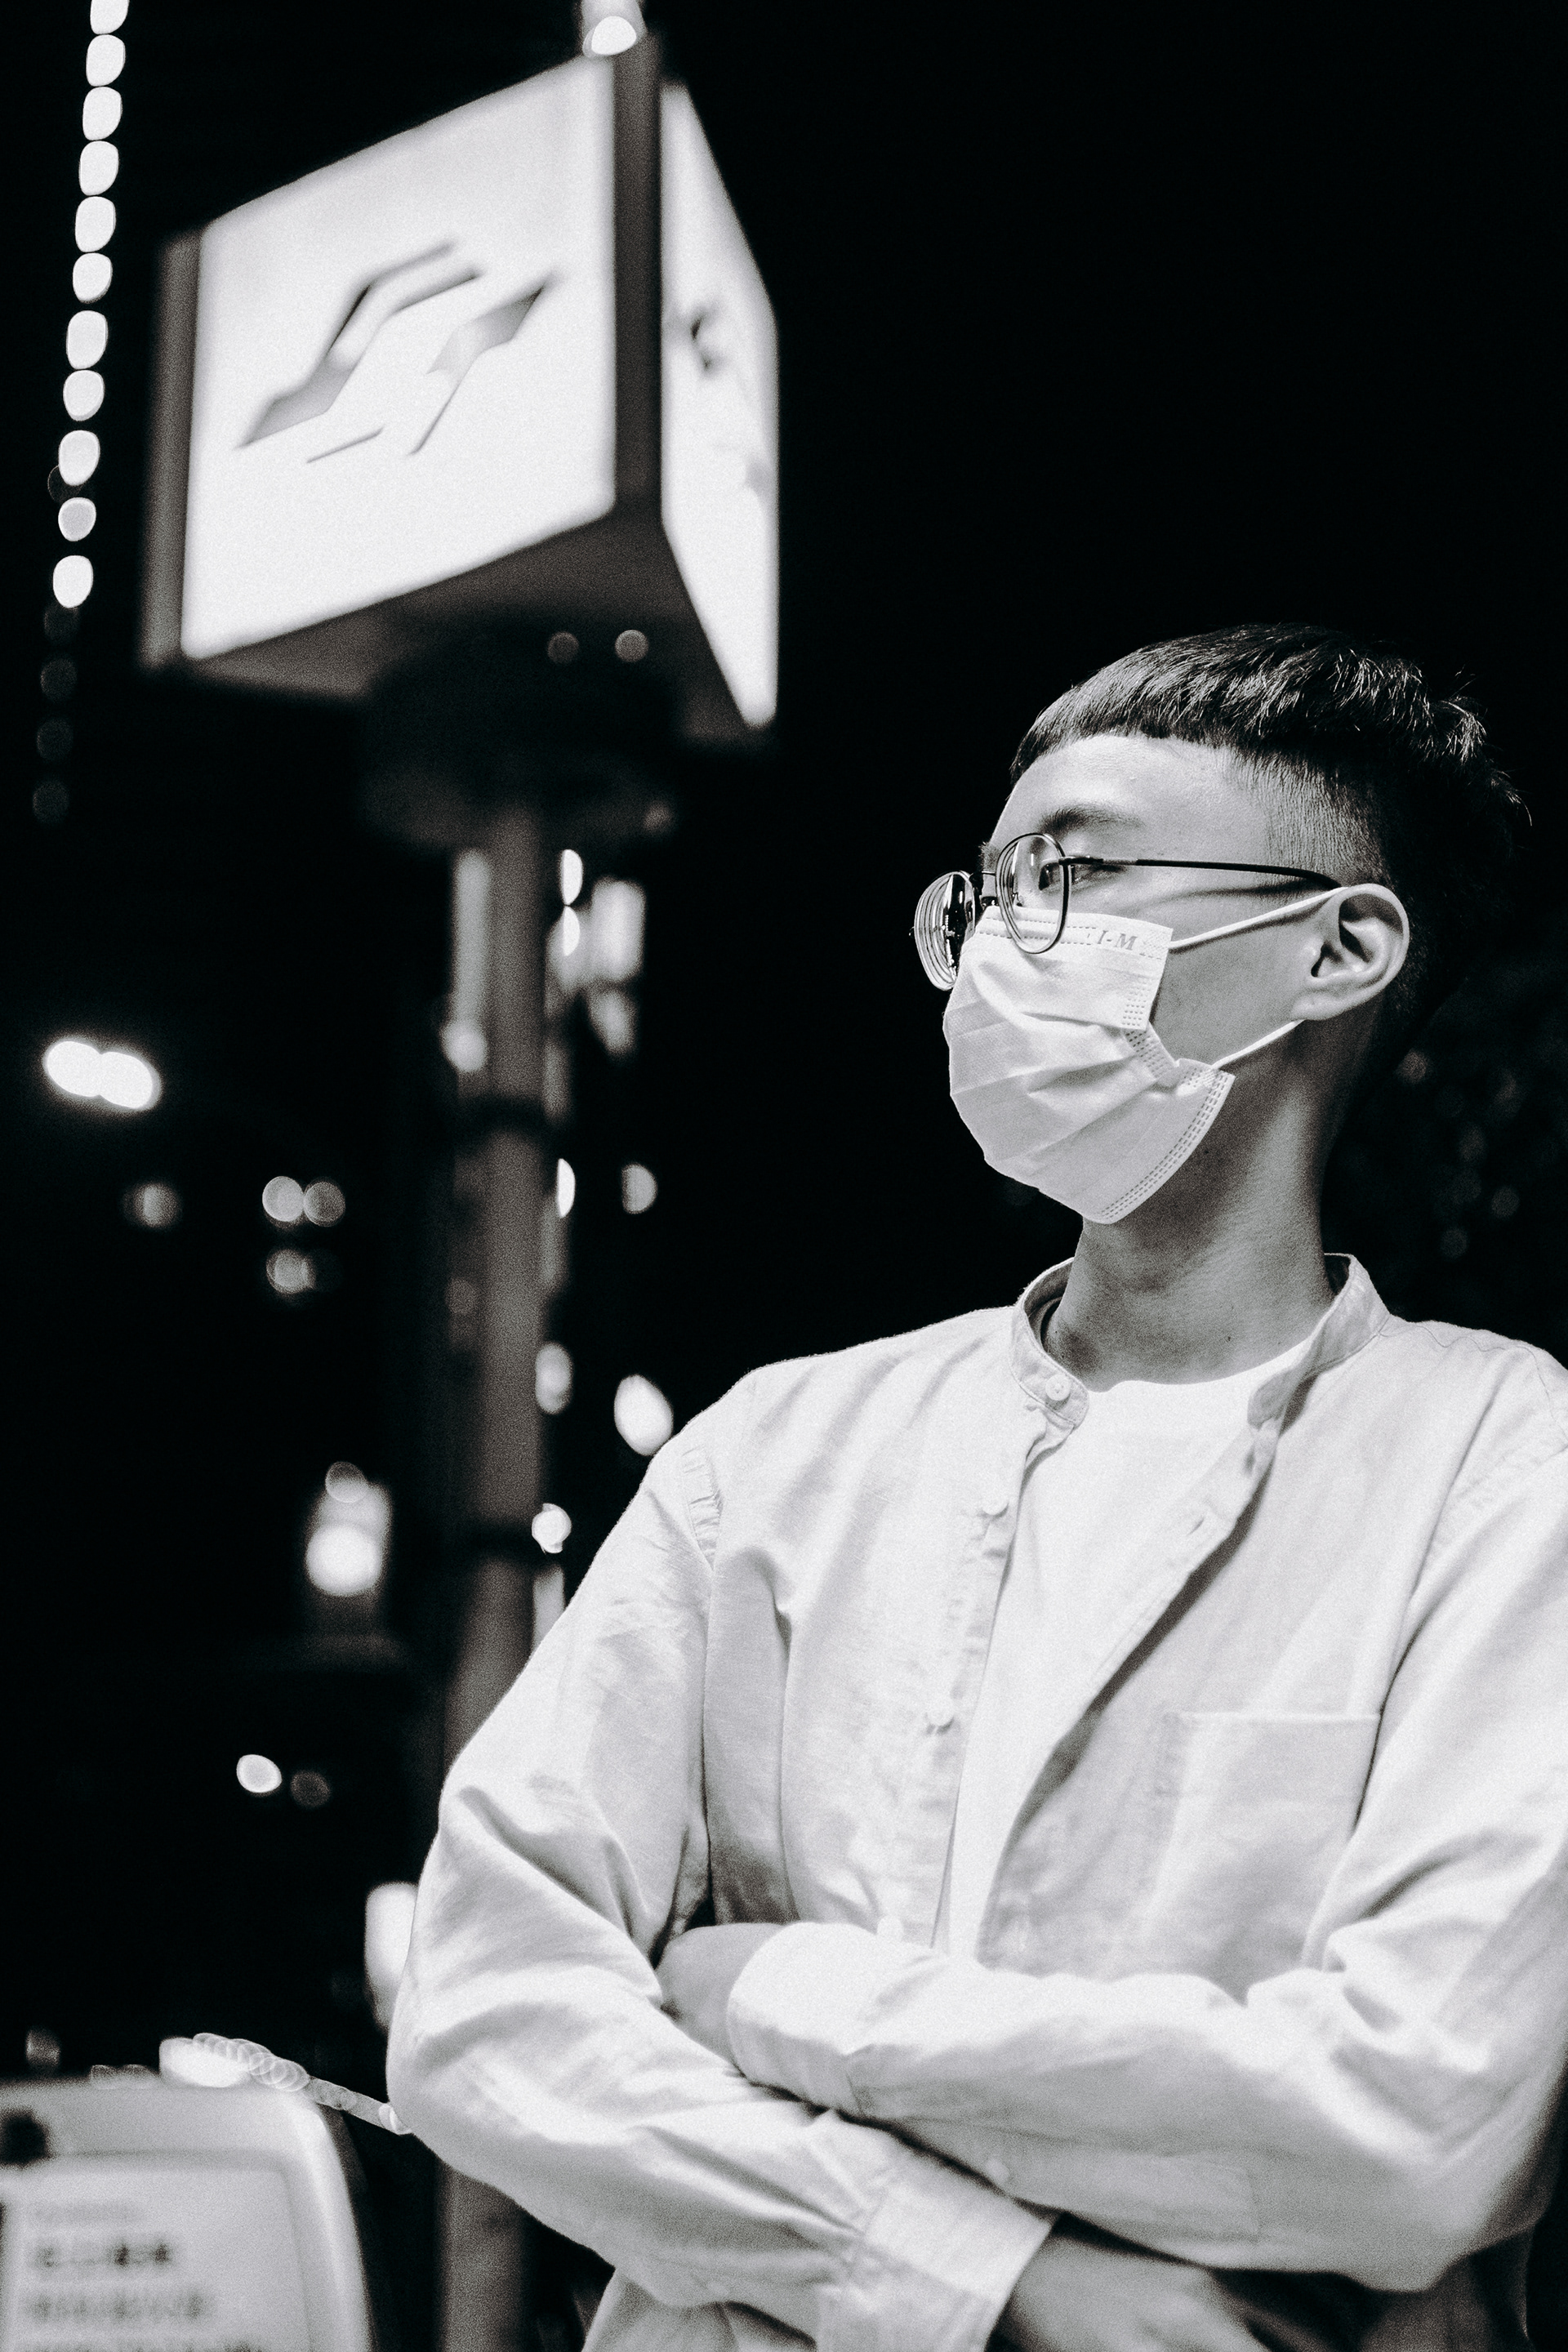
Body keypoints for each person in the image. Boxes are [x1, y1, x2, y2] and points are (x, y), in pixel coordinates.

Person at [389, 624, 1566, 2352]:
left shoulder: (1501, 1462)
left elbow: (1416, 2124)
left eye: (1075, 874)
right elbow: (486, 2013)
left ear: (1339, 947)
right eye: (991, 893)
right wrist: (987, 2279)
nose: (1010, 944)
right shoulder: (775, 1455)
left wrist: (769, 1994)